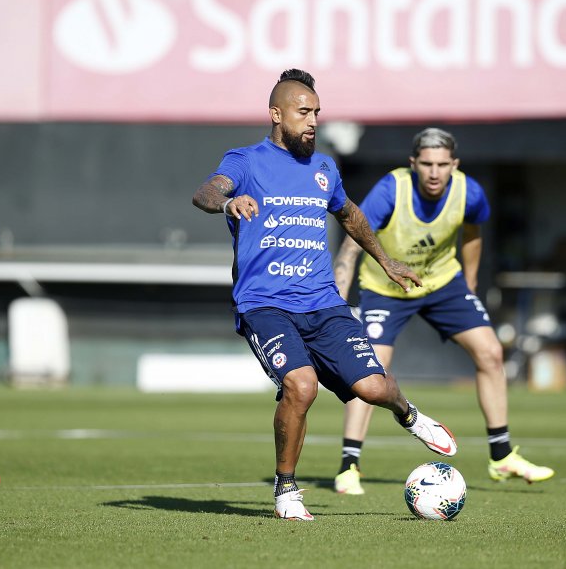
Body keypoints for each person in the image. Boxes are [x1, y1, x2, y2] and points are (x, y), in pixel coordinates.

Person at [192, 69, 457, 521]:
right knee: (302, 385)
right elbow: (207, 192)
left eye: (317, 112)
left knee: (375, 389)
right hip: (265, 305)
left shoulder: (323, 167)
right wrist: (228, 202)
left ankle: (410, 415)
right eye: (303, 112)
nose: (313, 120)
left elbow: (350, 215)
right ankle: (287, 489)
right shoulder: (246, 160)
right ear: (276, 114)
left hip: (324, 303)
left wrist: (386, 261)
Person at [331, 127, 554, 496]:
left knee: (491, 352)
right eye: (427, 164)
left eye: (442, 164)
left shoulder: (470, 192)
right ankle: (349, 466)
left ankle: (501, 457)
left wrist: (468, 283)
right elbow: (354, 238)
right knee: (370, 374)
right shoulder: (391, 189)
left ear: (455, 164)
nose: (435, 172)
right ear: (413, 163)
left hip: (442, 283)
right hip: (386, 287)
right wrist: (341, 285)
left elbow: (472, 233)